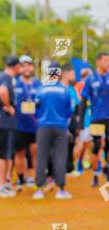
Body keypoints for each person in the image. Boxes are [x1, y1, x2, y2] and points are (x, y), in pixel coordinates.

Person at [33, 62, 73, 200]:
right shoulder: (65, 90)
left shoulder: (40, 89)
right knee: (60, 156)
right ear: (59, 73)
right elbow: (69, 111)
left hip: (43, 126)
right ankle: (61, 189)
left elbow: (36, 110)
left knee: (41, 157)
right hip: (60, 127)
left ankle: (39, 189)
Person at [0, 55, 21, 197]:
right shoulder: (6, 78)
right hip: (4, 122)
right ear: (16, 66)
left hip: (1, 122)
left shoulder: (0, 77)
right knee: (4, 155)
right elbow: (2, 91)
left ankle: (4, 183)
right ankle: (0, 184)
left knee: (6, 154)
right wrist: (8, 106)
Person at [78, 51, 109, 187]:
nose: (108, 63)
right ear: (98, 62)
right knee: (96, 146)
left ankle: (107, 169)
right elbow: (83, 100)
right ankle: (95, 175)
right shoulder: (91, 79)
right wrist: (80, 123)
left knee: (108, 146)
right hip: (96, 118)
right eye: (105, 61)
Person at [13, 54, 40, 189]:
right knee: (20, 153)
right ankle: (21, 178)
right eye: (23, 66)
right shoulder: (15, 83)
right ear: (19, 68)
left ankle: (34, 179)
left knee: (35, 152)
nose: (26, 68)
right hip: (19, 125)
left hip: (35, 125)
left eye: (29, 65)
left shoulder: (38, 84)